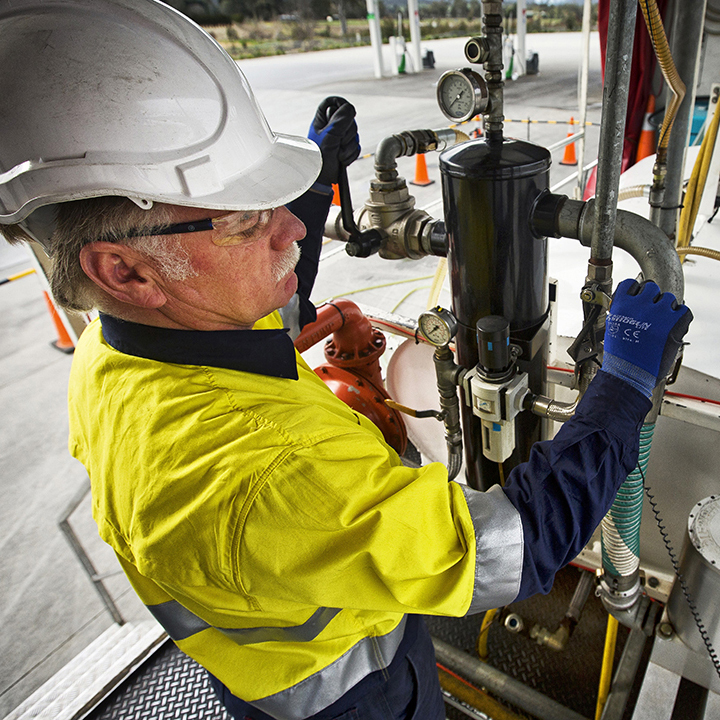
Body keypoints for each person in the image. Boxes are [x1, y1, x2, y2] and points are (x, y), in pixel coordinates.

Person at [0, 1, 692, 719]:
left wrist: (312, 171)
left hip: (254, 669)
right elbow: (511, 548)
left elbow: (269, 315)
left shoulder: (115, 355)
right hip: (358, 693)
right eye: (245, 220)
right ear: (123, 270)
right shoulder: (269, 476)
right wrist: (624, 383)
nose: (297, 230)